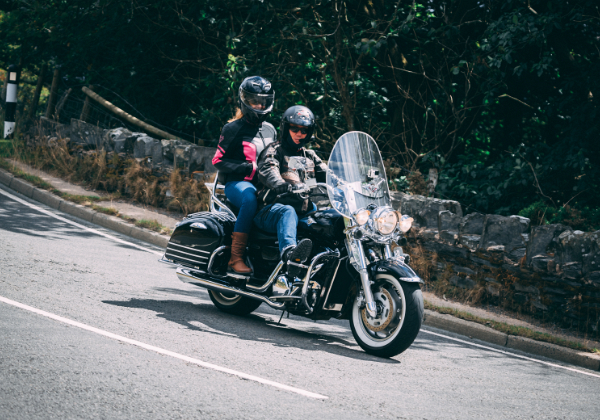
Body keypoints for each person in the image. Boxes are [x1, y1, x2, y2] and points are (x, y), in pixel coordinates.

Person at [212, 76, 277, 273]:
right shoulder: (233, 128)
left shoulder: (270, 130)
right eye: (255, 101)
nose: (259, 105)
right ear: (245, 100)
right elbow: (217, 161)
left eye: (263, 101)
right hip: (238, 185)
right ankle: (235, 257)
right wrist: (247, 167)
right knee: (250, 199)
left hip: (263, 185)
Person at [254, 105, 327, 263]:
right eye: (294, 128)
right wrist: (279, 183)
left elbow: (328, 175)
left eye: (304, 130)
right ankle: (290, 255)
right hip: (270, 211)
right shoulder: (274, 150)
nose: (299, 133)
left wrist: (354, 184)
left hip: (302, 212)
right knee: (287, 212)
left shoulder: (310, 156)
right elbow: (268, 169)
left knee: (327, 219)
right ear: (286, 128)